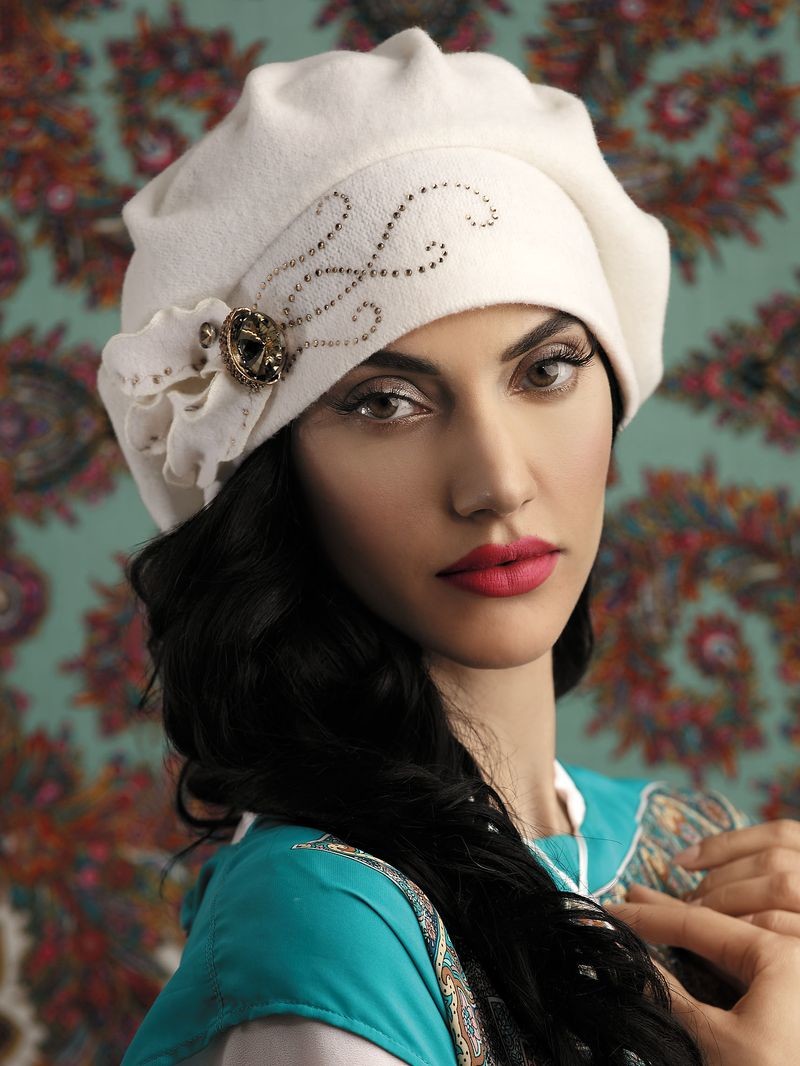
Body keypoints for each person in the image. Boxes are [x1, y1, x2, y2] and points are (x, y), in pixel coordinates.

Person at [97, 25, 800, 1066]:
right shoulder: (327, 920)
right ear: (278, 474)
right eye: (386, 401)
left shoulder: (702, 846)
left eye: (544, 371)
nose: (498, 482)